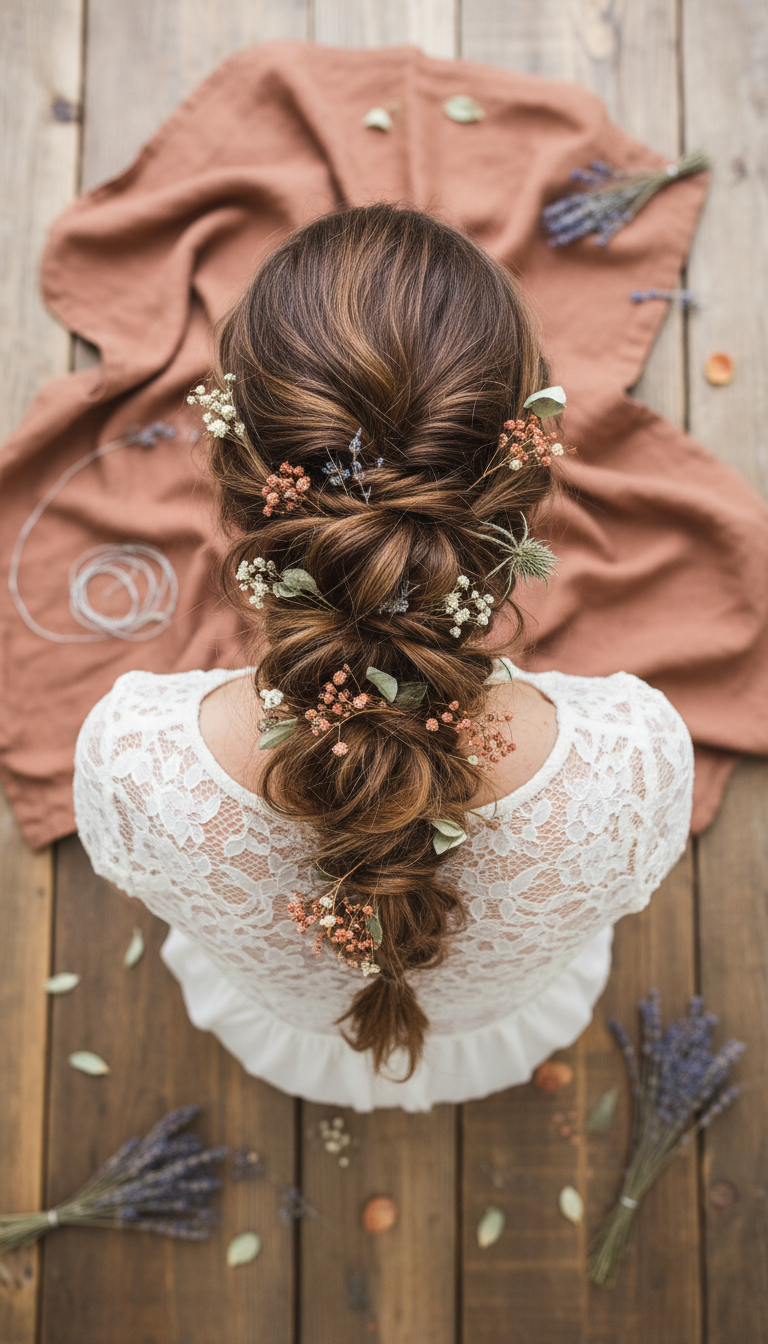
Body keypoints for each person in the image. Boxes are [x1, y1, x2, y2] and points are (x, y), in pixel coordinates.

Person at [73, 204, 693, 1112]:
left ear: (236, 477)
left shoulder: (131, 756)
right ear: (522, 485)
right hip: (503, 1031)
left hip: (285, 1034)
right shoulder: (637, 762)